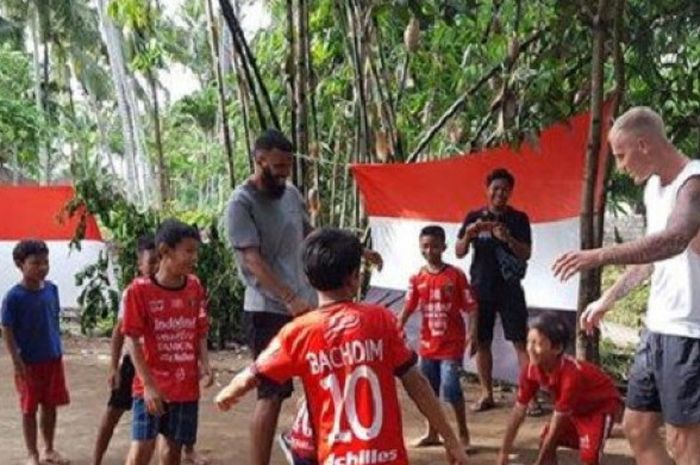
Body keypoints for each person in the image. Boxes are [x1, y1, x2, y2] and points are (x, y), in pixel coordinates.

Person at [215, 228, 469, 465]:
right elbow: (417, 384)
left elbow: (254, 373)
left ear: (308, 278)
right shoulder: (381, 319)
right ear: (354, 278)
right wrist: (451, 438)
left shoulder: (298, 332)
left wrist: (230, 391)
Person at [553, 106, 700, 465]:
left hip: (690, 331)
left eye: (621, 155)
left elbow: (675, 239)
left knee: (686, 442)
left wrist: (599, 255)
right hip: (658, 328)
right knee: (636, 428)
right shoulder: (653, 188)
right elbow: (653, 256)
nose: (620, 166)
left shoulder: (693, 183)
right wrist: (608, 298)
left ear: (644, 144)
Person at [226, 129, 382, 465]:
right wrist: (288, 297)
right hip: (267, 309)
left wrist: (355, 248)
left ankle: (316, 452)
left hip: (306, 306)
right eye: (278, 166)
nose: (284, 172)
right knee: (271, 394)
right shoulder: (241, 203)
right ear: (259, 159)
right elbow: (252, 260)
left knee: (321, 380)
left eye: (288, 166)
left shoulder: (291, 193)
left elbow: (309, 233)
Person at [122, 219, 213, 465]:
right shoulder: (138, 291)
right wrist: (149, 385)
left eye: (196, 251)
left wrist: (205, 362)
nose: (194, 258)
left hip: (185, 386)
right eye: (189, 251)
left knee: (173, 451)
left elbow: (199, 328)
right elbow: (131, 339)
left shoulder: (194, 286)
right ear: (165, 251)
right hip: (150, 386)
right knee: (142, 448)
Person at [455, 168, 535, 413]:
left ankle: (529, 398)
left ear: (511, 192)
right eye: (495, 188)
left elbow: (527, 253)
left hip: (510, 288)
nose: (500, 193)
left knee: (521, 343)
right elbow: (459, 251)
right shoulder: (473, 216)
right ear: (487, 190)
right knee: (482, 341)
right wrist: (468, 235)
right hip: (481, 287)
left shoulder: (519, 219)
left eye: (505, 189)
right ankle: (486, 394)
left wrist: (508, 238)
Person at [497, 312, 622, 465]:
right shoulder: (531, 371)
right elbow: (518, 411)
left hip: (599, 408)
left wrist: (538, 463)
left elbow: (556, 425)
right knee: (545, 442)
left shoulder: (571, 377)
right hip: (574, 409)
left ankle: (605, 430)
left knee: (589, 457)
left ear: (557, 348)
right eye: (528, 341)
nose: (529, 349)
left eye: (537, 343)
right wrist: (503, 452)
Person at [398, 225, 477, 448]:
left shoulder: (456, 275)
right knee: (428, 390)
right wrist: (397, 328)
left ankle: (463, 434)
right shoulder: (417, 278)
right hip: (427, 345)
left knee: (451, 387)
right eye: (425, 246)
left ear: (444, 247)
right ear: (419, 248)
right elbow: (407, 307)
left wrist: (473, 333)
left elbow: (471, 307)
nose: (429, 250)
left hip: (451, 344)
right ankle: (431, 432)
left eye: (434, 246)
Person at [1, 240, 70, 465]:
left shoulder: (51, 289)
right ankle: (32, 454)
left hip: (52, 358)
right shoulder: (13, 297)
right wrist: (16, 360)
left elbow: (53, 320)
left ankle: (48, 448)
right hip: (28, 362)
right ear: (20, 265)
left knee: (50, 406)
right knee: (29, 408)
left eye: (45, 262)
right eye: (35, 263)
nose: (42, 267)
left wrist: (57, 349)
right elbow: (7, 330)